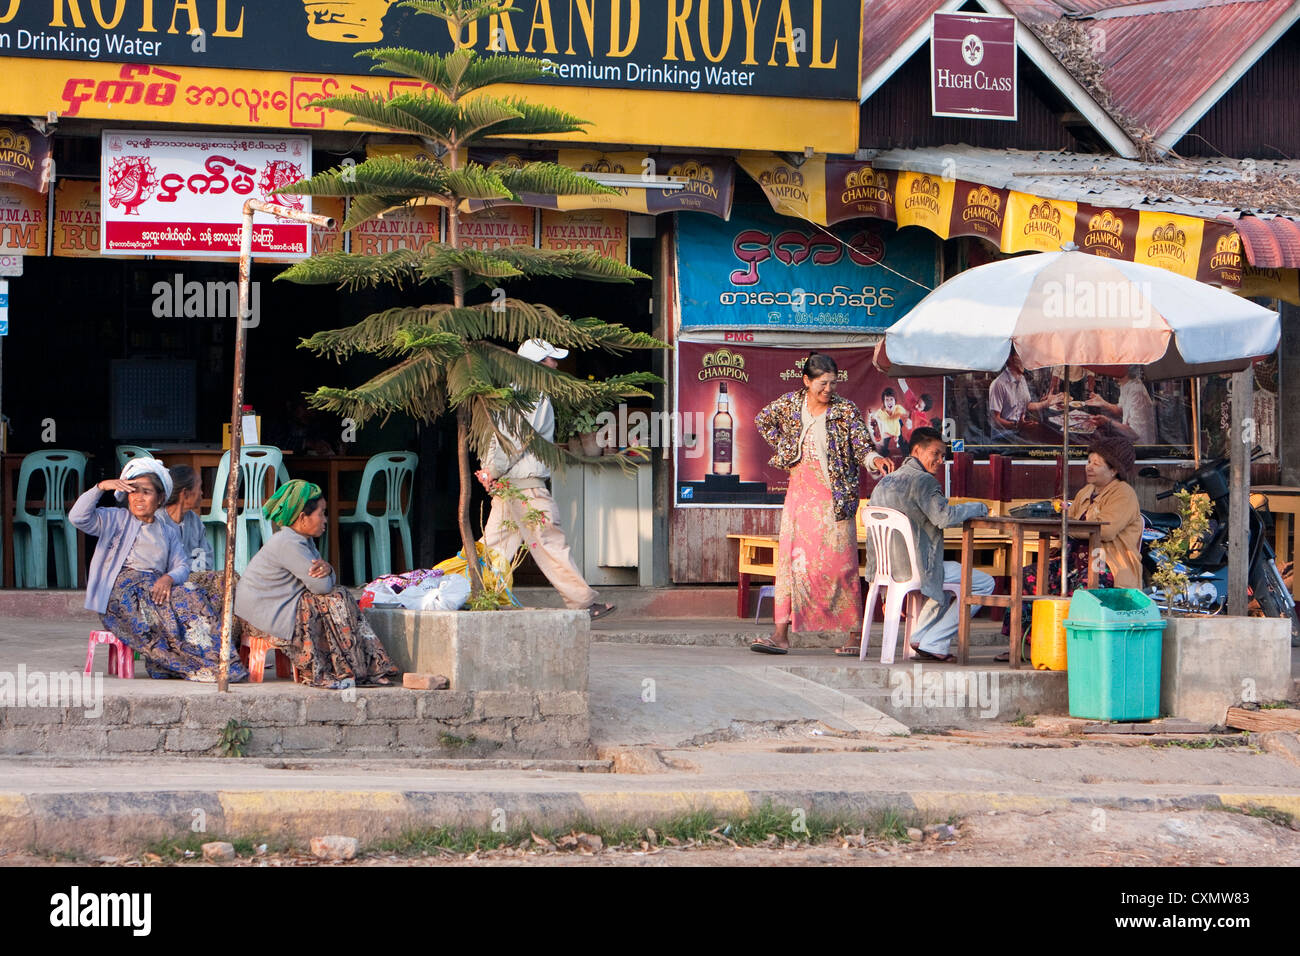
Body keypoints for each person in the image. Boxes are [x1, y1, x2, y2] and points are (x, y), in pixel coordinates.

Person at [750, 352, 894, 655]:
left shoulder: (845, 411)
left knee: (841, 567)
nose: (828, 390)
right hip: (800, 500)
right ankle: (780, 635)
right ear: (807, 381)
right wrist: (787, 448)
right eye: (822, 384)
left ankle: (854, 637)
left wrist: (875, 459)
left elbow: (861, 446)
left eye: (832, 383)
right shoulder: (790, 405)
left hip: (835, 501)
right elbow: (763, 419)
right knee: (791, 566)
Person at [70, 458, 247, 682]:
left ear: (160, 498)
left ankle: (210, 663)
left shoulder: (166, 530)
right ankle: (186, 664)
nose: (138, 498)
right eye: (133, 492)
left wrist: (168, 577)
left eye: (146, 492)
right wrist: (100, 488)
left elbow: (182, 565)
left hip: (155, 588)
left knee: (191, 593)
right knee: (181, 598)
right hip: (121, 596)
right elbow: (78, 517)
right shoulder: (115, 519)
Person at [475, 338, 615, 620]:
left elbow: (497, 438)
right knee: (549, 542)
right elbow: (516, 438)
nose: (555, 364)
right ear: (536, 364)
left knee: (494, 547)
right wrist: (493, 470)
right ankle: (583, 603)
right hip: (527, 488)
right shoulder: (533, 394)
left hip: (508, 486)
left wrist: (490, 469)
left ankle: (477, 596)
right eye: (550, 359)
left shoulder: (511, 393)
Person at [235, 479, 398, 687]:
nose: (325, 520)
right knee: (335, 598)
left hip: (275, 608)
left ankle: (362, 667)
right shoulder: (288, 543)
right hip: (261, 615)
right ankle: (352, 668)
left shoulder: (303, 541)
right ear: (302, 518)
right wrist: (329, 571)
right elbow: (321, 586)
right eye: (321, 513)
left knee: (337, 595)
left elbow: (322, 578)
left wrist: (328, 569)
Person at [996, 435, 1139, 659]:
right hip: (1072, 562)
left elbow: (1107, 531)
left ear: (1114, 471)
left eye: (1096, 463)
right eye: (1088, 461)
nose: (1088, 467)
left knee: (1083, 588)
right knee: (1027, 577)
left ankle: (1068, 648)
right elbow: (1068, 520)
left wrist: (1068, 526)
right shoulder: (1086, 492)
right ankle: (1024, 646)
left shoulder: (1124, 494)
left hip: (1106, 565)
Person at [866, 427, 996, 662]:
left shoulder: (884, 484)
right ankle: (934, 641)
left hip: (887, 570)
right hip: (917, 568)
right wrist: (979, 507)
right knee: (984, 583)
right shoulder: (924, 480)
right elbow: (944, 517)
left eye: (942, 455)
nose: (940, 460)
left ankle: (922, 637)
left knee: (949, 578)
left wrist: (883, 589)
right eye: (935, 453)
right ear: (917, 450)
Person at [156, 464, 216, 573]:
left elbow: (207, 559)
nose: (201, 493)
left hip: (193, 578)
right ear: (185, 493)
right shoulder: (158, 521)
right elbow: (161, 563)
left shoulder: (195, 521)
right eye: (199, 488)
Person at [988, 350, 1061, 440]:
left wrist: (1046, 403)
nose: (1025, 361)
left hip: (1019, 430)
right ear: (1010, 358)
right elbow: (995, 420)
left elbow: (1027, 405)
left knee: (1049, 433)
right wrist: (1016, 426)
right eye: (1021, 356)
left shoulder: (1021, 378)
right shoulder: (998, 384)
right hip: (1004, 436)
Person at [1085, 366, 1158, 444]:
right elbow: (1121, 410)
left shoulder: (1136, 390)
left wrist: (1107, 422)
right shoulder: (1126, 384)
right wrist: (1103, 403)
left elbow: (1134, 433)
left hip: (1140, 447)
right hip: (1129, 440)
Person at [869, 387, 908, 455]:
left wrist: (907, 421)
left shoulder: (898, 408)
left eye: (891, 399)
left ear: (895, 400)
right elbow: (873, 420)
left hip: (897, 430)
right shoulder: (880, 412)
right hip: (887, 433)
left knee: (904, 445)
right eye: (887, 400)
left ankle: (906, 454)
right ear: (884, 402)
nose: (889, 402)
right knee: (883, 449)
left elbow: (905, 416)